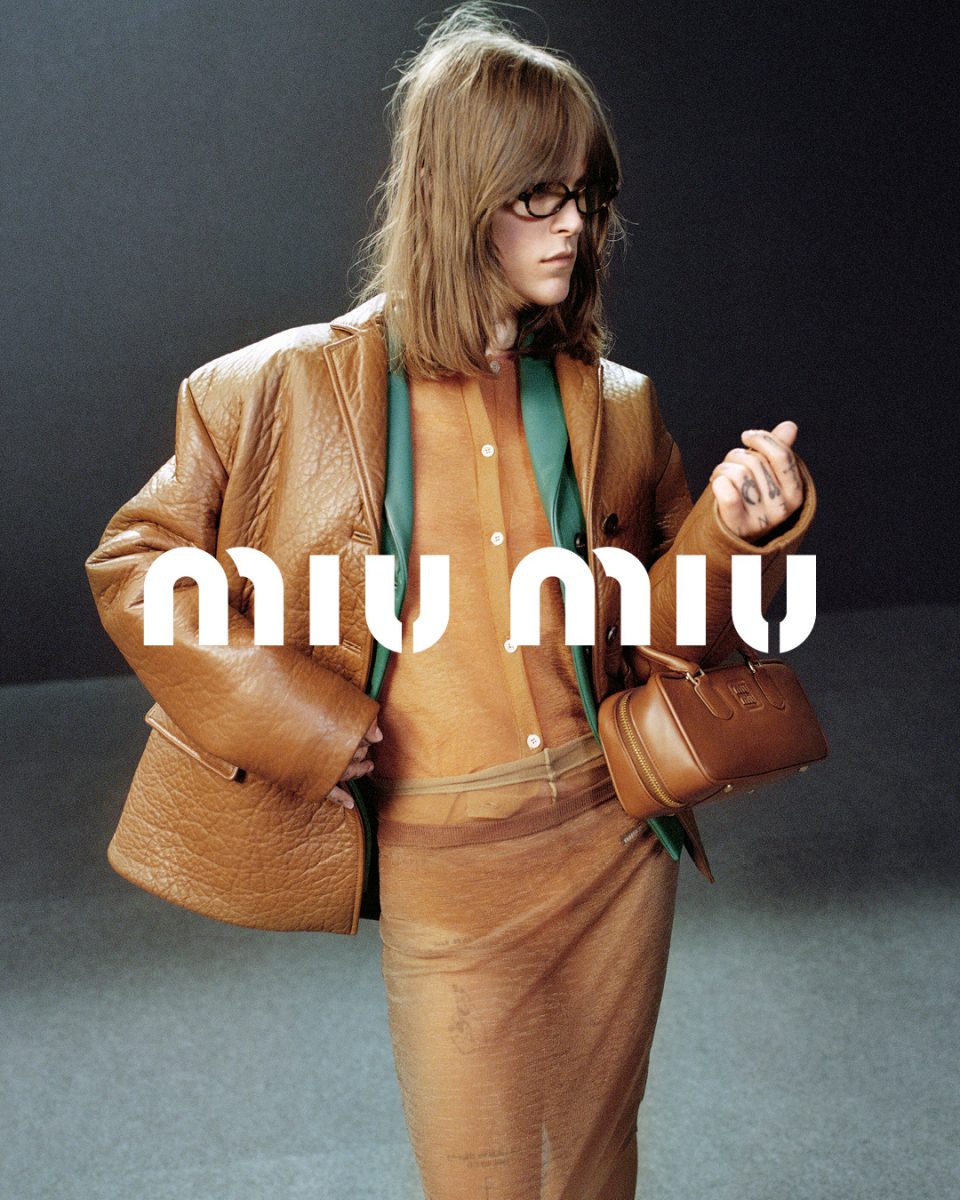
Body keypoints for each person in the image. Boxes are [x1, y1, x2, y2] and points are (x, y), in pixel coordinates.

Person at [86, 3, 816, 1197]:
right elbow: (138, 565)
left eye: (588, 195)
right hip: (443, 870)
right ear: (455, 196)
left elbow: (668, 640)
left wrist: (735, 529)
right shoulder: (281, 390)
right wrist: (302, 724)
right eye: (541, 194)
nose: (576, 224)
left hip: (613, 846)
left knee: (595, 1175)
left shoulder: (614, 404)